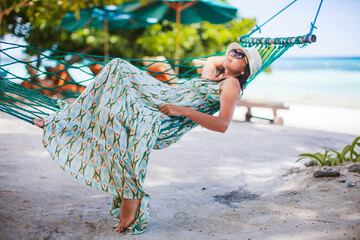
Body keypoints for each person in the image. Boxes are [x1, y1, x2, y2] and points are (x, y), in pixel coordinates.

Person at [32, 42, 262, 234]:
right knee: (116, 71)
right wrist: (229, 59)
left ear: (245, 71)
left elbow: (223, 125)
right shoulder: (213, 78)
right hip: (161, 98)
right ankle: (66, 120)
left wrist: (182, 111)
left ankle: (130, 195)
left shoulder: (231, 84)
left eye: (240, 55)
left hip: (167, 118)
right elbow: (212, 61)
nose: (233, 54)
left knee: (123, 104)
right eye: (232, 51)